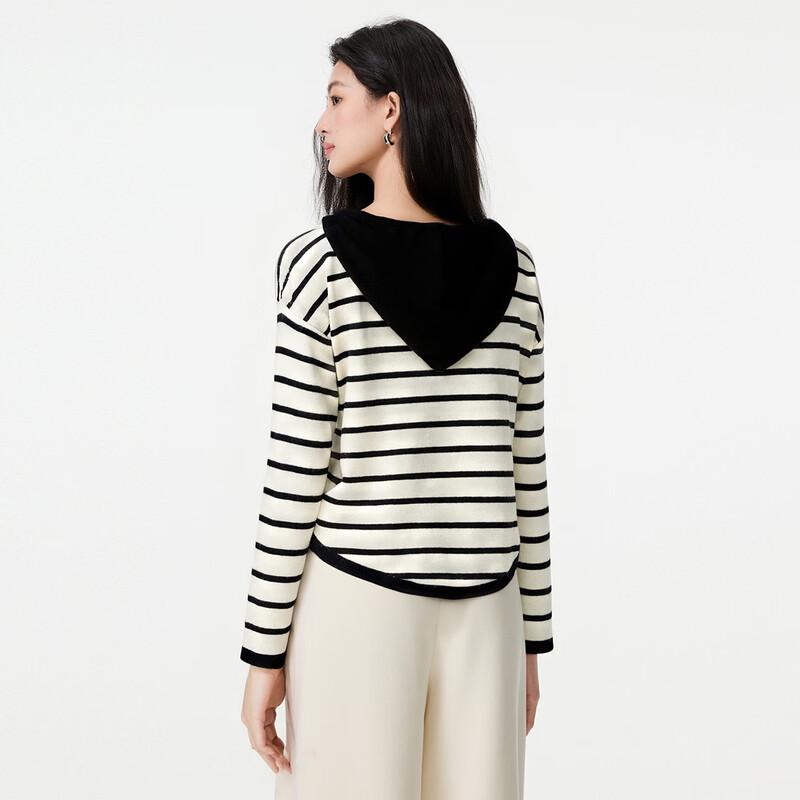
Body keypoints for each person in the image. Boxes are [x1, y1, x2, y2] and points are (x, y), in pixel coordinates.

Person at [239, 18, 554, 800]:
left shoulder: (318, 265)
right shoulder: (516, 272)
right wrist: (530, 642)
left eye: (336, 97)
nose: (321, 122)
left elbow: (295, 477)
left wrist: (262, 654)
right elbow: (528, 479)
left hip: (356, 607)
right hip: (489, 612)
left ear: (391, 110)